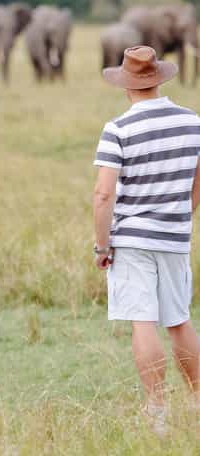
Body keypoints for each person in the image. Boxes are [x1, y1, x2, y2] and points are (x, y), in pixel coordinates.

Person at [93, 45, 200, 435]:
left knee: (144, 321)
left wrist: (103, 247)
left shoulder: (118, 128)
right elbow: (196, 179)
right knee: (180, 319)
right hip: (175, 236)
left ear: (126, 85)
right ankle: (198, 403)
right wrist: (181, 213)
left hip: (133, 238)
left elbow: (104, 194)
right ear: (159, 79)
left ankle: (157, 411)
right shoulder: (193, 122)